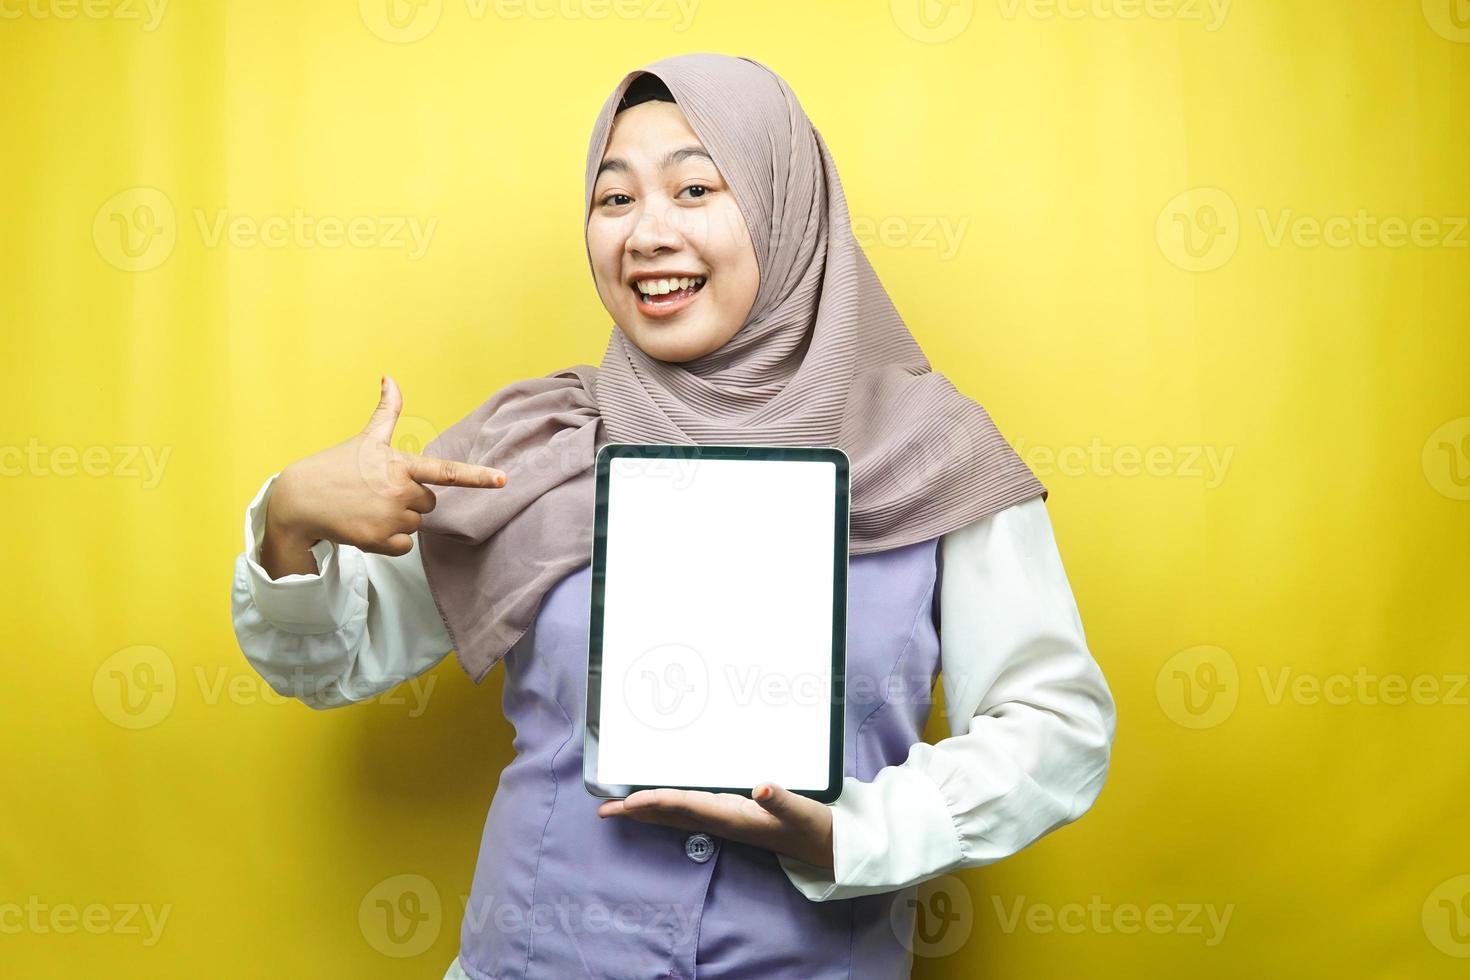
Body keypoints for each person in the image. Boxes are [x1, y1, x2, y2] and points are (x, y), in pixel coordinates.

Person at [231, 53, 1117, 980]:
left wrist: (858, 835)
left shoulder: (932, 452)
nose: (647, 233)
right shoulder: (539, 440)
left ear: (787, 207)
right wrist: (293, 523)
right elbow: (332, 662)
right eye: (614, 201)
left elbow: (1054, 725)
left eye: (695, 188)